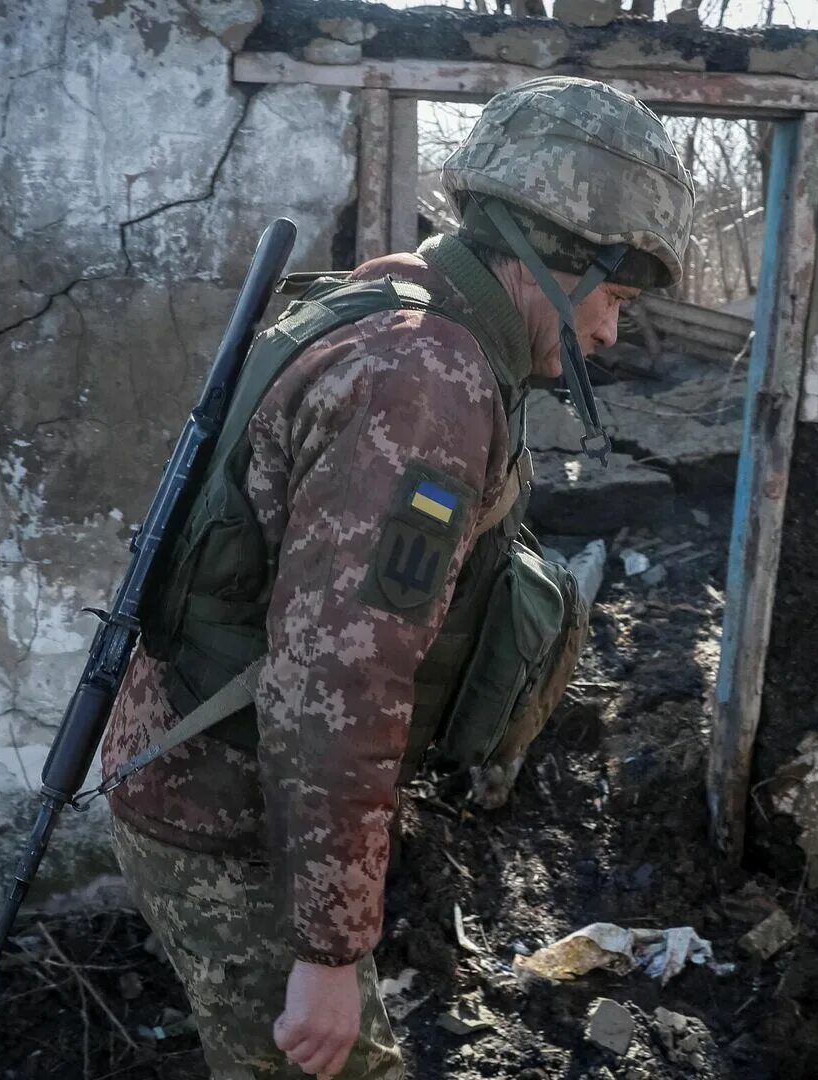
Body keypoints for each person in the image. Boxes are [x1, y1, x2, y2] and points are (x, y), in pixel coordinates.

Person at [100, 75, 693, 1079]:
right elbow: (341, 678)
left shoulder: (397, 304)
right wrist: (330, 950)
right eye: (614, 301)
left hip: (223, 782)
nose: (608, 337)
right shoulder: (422, 384)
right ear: (555, 256)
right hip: (232, 816)